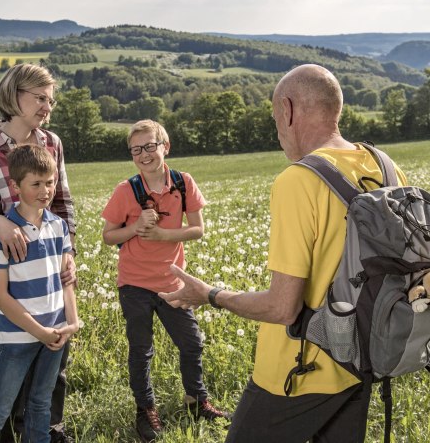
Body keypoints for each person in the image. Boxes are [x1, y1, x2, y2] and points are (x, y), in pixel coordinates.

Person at [159, 64, 407, 443]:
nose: (277, 132)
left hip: (297, 370)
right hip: (360, 360)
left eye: (276, 118)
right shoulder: (385, 166)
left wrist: (210, 295)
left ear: (288, 110)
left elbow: (282, 308)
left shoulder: (298, 180)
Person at [0, 63, 77, 443]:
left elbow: (62, 202)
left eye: (50, 100)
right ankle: (4, 434)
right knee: (11, 353)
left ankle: (46, 431)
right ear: (13, 95)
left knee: (54, 357)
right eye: (39, 97)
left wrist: (68, 250)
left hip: (48, 264)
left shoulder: (51, 143)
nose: (46, 106)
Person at [101, 119, 229, 443]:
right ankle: (145, 411)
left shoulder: (183, 183)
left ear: (164, 146)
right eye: (135, 150)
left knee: (192, 342)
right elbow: (108, 235)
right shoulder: (125, 190)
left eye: (149, 146)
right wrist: (136, 228)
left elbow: (198, 229)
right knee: (141, 350)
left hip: (172, 282)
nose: (143, 155)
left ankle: (196, 401)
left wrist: (161, 234)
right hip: (134, 283)